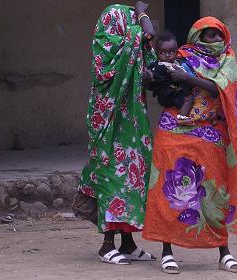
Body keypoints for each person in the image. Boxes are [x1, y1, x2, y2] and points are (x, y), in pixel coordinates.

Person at [142, 17, 237, 274]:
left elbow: (220, 91)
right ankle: (167, 252)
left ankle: (223, 252)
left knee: (215, 193)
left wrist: (188, 78)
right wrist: (150, 78)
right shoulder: (181, 55)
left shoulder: (228, 60)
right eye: (208, 35)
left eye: (217, 35)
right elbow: (157, 80)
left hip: (210, 132)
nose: (213, 40)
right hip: (173, 129)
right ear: (197, 37)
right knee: (167, 191)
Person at [77, 2, 157, 265]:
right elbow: (105, 65)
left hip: (133, 117)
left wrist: (142, 23)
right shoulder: (114, 14)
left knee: (133, 178)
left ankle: (128, 243)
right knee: (112, 174)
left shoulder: (136, 19)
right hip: (110, 114)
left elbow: (150, 53)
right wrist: (142, 19)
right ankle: (106, 245)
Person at [148, 30, 195, 123]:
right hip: (166, 94)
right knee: (189, 99)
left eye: (171, 52)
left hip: (173, 92)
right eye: (162, 53)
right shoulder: (159, 65)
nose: (167, 55)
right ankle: (182, 117)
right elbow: (150, 73)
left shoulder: (179, 64)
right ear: (157, 53)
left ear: (177, 52)